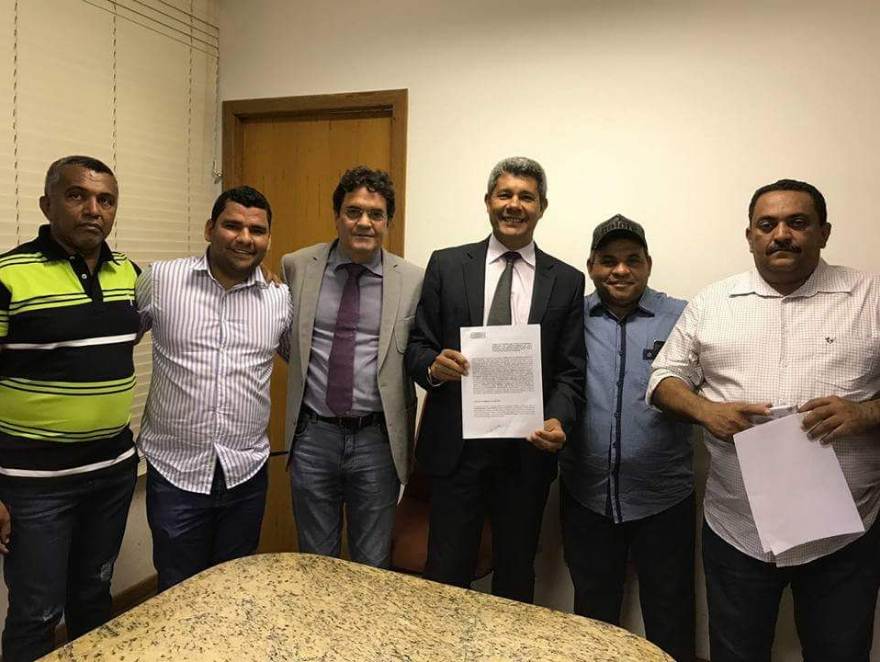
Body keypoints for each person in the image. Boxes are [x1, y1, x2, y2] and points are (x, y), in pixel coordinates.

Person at [649, 179, 880, 662]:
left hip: (845, 536)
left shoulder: (870, 297)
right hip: (738, 532)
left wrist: (866, 412)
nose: (781, 235)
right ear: (750, 235)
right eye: (767, 224)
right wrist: (705, 410)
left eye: (797, 223)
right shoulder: (713, 302)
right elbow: (663, 377)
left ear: (823, 232)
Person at [405, 156, 585, 602]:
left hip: (526, 453)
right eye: (505, 194)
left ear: (542, 207)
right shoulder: (447, 265)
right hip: (456, 451)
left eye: (526, 197)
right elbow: (417, 347)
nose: (514, 205)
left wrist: (559, 419)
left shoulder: (566, 280)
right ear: (488, 201)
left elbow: (569, 370)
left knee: (515, 577)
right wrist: (433, 368)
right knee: (446, 575)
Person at [0, 155, 140, 661]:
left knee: (94, 597)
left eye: (106, 200)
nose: (93, 210)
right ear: (47, 204)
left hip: (111, 474)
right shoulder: (8, 277)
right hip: (35, 486)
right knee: (36, 612)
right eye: (77, 195)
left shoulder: (130, 274)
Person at [136, 185, 292, 591]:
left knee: (235, 591)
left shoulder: (279, 297)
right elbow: (115, 344)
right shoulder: (160, 280)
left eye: (257, 230)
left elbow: (301, 359)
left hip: (245, 473)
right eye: (232, 226)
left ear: (268, 239)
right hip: (176, 472)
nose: (245, 238)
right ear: (210, 229)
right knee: (177, 590)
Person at [560, 215, 694, 662]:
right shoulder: (569, 317)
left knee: (670, 617)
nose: (620, 270)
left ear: (648, 264)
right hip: (586, 496)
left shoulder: (683, 317)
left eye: (632, 260)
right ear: (591, 266)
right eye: (608, 261)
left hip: (664, 499)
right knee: (593, 619)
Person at [282, 166, 423, 568]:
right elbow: (286, 341)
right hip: (314, 436)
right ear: (337, 216)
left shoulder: (413, 280)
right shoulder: (296, 266)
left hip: (377, 440)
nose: (364, 222)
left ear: (388, 221)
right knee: (316, 562)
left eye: (376, 214)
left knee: (372, 564)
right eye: (353, 211)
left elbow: (418, 352)